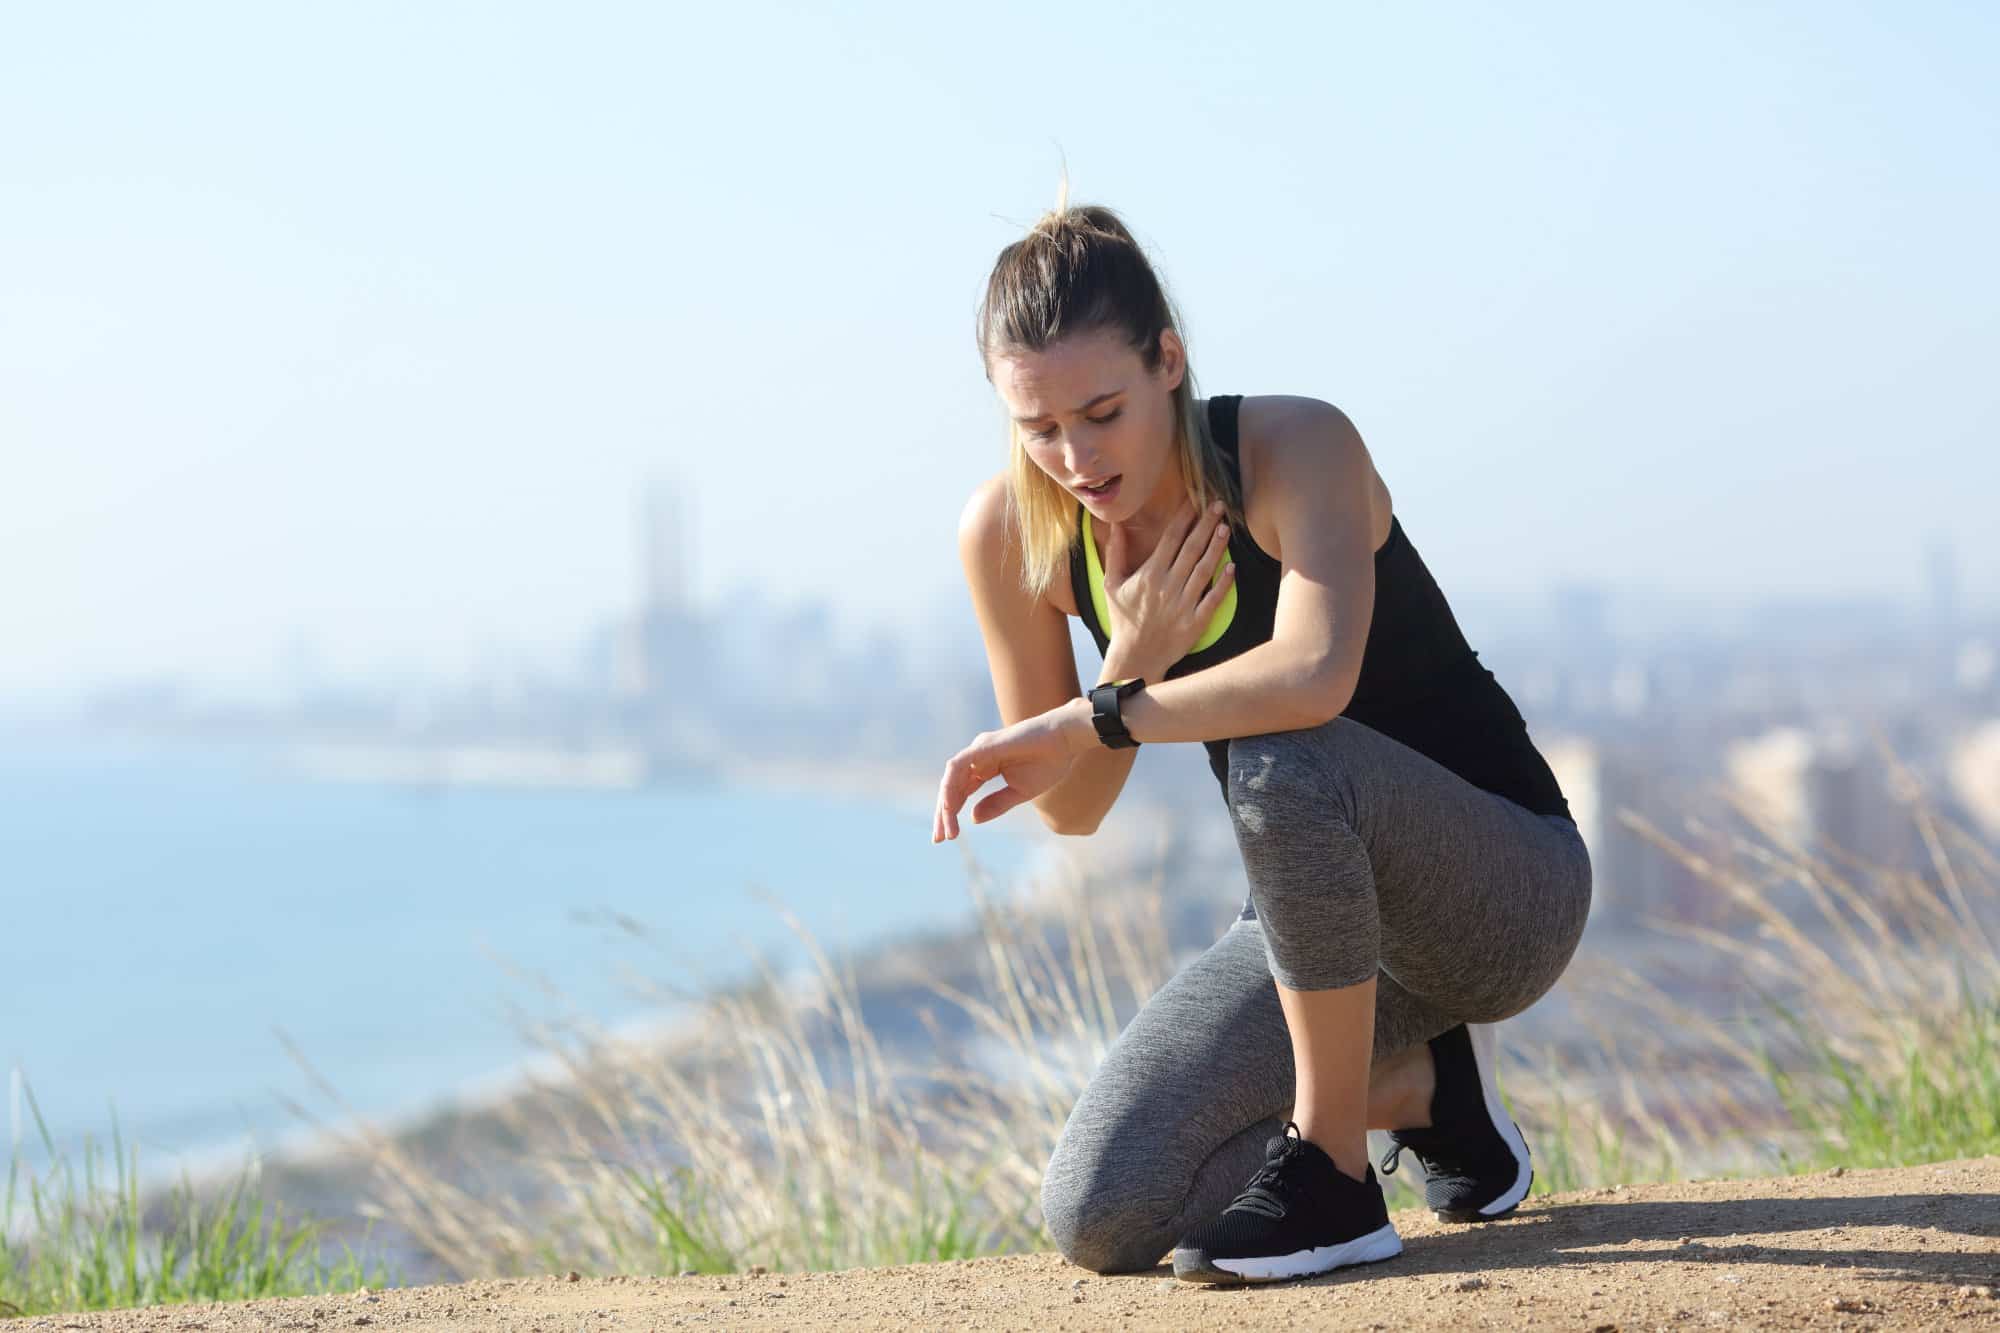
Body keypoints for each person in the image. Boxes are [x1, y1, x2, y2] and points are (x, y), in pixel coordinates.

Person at [931, 199, 1592, 1286]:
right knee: (1098, 1211)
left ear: (1168, 362)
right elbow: (1073, 808)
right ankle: (1429, 1091)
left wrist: (1092, 716)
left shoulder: (1294, 448)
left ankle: (1334, 1180)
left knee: (1284, 754)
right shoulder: (1012, 533)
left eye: (1101, 411)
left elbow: (1313, 675)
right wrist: (1124, 661)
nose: (1073, 456)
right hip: (1311, 926)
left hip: (1502, 891)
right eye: (1037, 428)